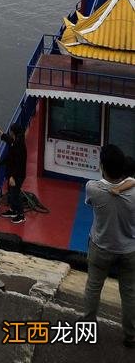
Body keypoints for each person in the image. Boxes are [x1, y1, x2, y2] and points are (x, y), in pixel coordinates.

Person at [83, 144, 135, 347]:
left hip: (101, 247)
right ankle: (131, 335)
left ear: (103, 167)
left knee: (93, 288)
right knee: (129, 292)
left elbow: (92, 199)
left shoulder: (93, 189)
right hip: (129, 250)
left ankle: (87, 328)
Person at [0, 122, 27, 223]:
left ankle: (21, 215)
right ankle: (13, 210)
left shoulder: (18, 145)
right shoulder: (15, 141)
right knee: (11, 193)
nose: (10, 132)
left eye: (11, 130)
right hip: (14, 173)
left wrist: (12, 177)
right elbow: (8, 139)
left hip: (17, 175)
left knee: (15, 194)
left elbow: (18, 163)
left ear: (14, 132)